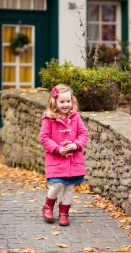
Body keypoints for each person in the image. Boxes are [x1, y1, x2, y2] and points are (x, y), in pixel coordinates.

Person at [39, 84, 89, 226]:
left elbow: (83, 134)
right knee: (58, 184)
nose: (65, 104)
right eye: (62, 102)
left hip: (74, 160)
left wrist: (76, 145)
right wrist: (57, 148)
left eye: (68, 101)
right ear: (54, 102)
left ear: (72, 101)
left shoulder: (75, 117)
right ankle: (48, 206)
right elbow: (44, 138)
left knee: (70, 188)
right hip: (57, 159)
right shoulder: (49, 118)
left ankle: (64, 213)